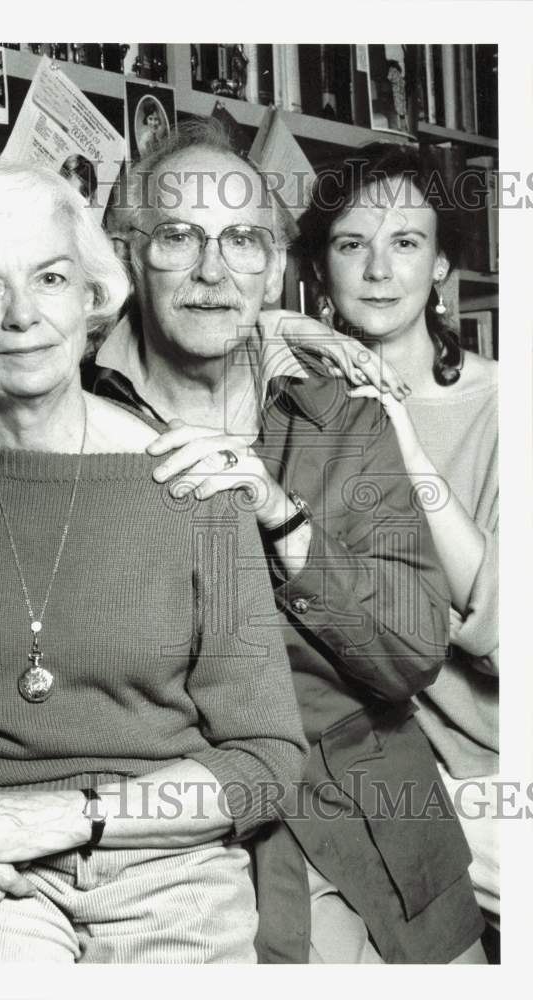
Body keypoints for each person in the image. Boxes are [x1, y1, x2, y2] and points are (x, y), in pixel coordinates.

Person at [0, 122, 485, 964]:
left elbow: (410, 652)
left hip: (345, 811)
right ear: (129, 257)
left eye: (244, 241)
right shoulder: (40, 395)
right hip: (165, 836)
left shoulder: (344, 419)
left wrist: (280, 517)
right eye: (179, 237)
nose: (215, 272)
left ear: (277, 264)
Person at [0, 156, 309, 963]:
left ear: (92, 297)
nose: (23, 316)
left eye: (50, 279)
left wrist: (59, 816)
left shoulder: (195, 488)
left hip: (170, 866)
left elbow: (266, 759)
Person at [294, 141, 498, 920]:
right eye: (352, 244)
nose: (379, 270)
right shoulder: (291, 401)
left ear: (442, 264)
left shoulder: (505, 405)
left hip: (489, 770)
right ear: (319, 267)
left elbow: (503, 637)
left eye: (406, 243)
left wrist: (405, 442)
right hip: (356, 759)